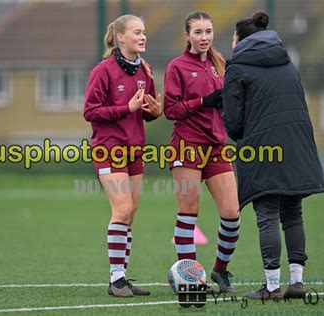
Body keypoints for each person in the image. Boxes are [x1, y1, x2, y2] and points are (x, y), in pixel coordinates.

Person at [223, 11, 324, 300]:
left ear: (242, 39)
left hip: (263, 148)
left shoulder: (237, 68)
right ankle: (297, 283)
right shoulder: (287, 62)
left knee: (267, 214)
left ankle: (271, 287)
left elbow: (232, 122)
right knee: (293, 212)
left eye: (233, 37)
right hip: (299, 145)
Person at [83, 14, 162, 297]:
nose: (142, 37)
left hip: (134, 149)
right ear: (120, 38)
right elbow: (90, 112)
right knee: (122, 210)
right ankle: (116, 280)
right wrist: (125, 109)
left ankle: (122, 277)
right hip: (109, 148)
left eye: (144, 32)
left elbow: (147, 110)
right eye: (137, 32)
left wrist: (155, 112)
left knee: (131, 214)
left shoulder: (146, 69)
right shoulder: (103, 71)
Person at [164, 11, 240, 293]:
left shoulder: (221, 63)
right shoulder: (177, 66)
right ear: (187, 36)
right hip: (187, 145)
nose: (204, 37)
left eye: (208, 31)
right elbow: (170, 109)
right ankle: (190, 278)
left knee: (232, 212)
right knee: (188, 211)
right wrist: (202, 102)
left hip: (218, 146)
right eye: (198, 32)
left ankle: (220, 271)